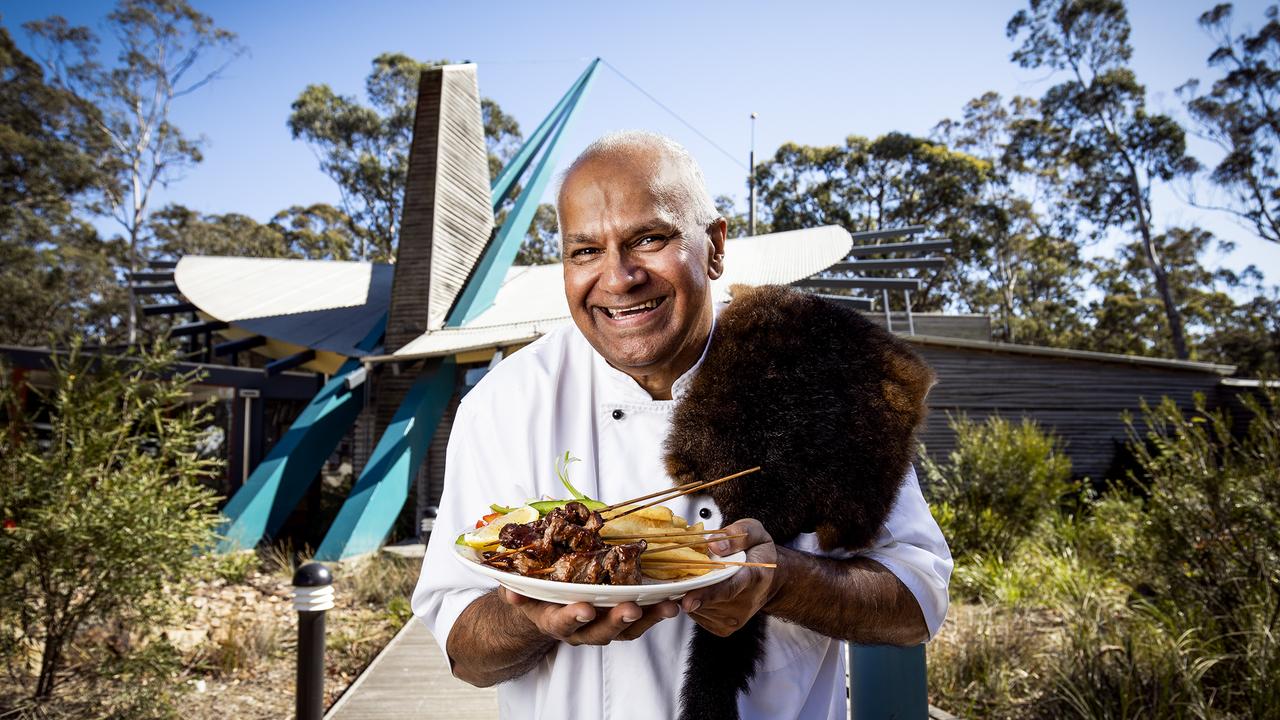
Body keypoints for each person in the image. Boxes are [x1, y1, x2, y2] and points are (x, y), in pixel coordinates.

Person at [412, 131, 952, 720]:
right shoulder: (505, 403)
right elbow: (464, 652)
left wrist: (780, 582)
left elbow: (917, 600)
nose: (618, 278)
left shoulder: (817, 375)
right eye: (585, 251)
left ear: (715, 245)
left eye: (649, 238)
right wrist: (530, 611)